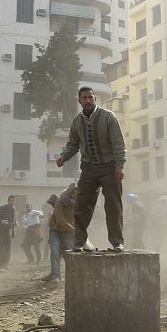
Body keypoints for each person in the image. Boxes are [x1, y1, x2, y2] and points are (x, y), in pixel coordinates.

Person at [56, 87, 127, 252]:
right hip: (88, 168)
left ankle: (117, 242)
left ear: (95, 98)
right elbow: (73, 144)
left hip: (110, 167)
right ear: (79, 101)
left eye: (90, 97)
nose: (87, 101)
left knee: (113, 205)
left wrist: (120, 165)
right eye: (84, 98)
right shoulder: (76, 121)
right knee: (81, 205)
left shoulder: (108, 117)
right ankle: (79, 242)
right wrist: (64, 156)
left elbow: (119, 143)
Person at [42, 183, 77, 283]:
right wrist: (73, 229)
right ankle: (55, 276)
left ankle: (73, 275)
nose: (75, 195)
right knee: (55, 253)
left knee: (69, 254)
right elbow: (60, 219)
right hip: (55, 230)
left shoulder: (79, 202)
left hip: (67, 232)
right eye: (74, 193)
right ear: (70, 193)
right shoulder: (60, 201)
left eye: (77, 193)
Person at [0, 196, 16, 270]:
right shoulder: (2, 208)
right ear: (8, 201)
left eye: (13, 201)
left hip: (7, 230)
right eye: (11, 200)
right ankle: (0, 264)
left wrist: (14, 225)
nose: (12, 202)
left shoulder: (13, 209)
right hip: (0, 229)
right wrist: (1, 221)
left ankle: (5, 264)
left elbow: (12, 220)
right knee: (2, 246)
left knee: (8, 246)